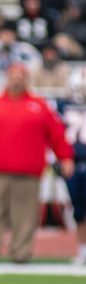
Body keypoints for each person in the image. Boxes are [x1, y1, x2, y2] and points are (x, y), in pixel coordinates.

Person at [0, 63, 74, 262]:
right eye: (13, 75)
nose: (16, 79)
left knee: (25, 216)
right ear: (7, 77)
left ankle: (21, 253)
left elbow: (57, 135)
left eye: (20, 75)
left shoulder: (40, 106)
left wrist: (65, 157)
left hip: (28, 172)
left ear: (26, 79)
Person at [60, 66, 86, 265]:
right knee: (78, 209)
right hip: (74, 163)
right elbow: (58, 134)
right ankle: (82, 249)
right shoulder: (64, 105)